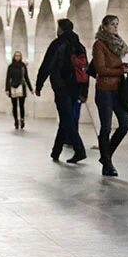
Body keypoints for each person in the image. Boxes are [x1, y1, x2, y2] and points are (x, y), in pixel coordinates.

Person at [35, 19, 89, 163]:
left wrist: (39, 84)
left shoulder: (57, 44)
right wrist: (84, 91)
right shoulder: (80, 46)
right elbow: (85, 69)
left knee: (66, 118)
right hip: (77, 87)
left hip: (62, 86)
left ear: (61, 29)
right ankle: (56, 151)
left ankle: (79, 150)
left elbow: (47, 65)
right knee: (66, 118)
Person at [92, 15, 128, 177]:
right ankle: (107, 164)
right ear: (105, 26)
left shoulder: (120, 44)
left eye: (117, 24)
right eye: (113, 25)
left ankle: (105, 155)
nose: (116, 27)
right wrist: (120, 70)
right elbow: (100, 69)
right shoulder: (99, 45)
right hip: (105, 90)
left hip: (119, 90)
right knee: (106, 127)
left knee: (124, 125)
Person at [5, 51, 33, 129]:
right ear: (14, 57)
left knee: (21, 105)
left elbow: (26, 77)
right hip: (13, 88)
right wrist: (7, 89)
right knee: (14, 106)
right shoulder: (10, 66)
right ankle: (16, 121)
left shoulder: (23, 66)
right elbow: (7, 78)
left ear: (21, 57)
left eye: (19, 56)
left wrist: (31, 88)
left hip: (22, 87)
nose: (17, 57)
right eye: (16, 56)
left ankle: (22, 119)